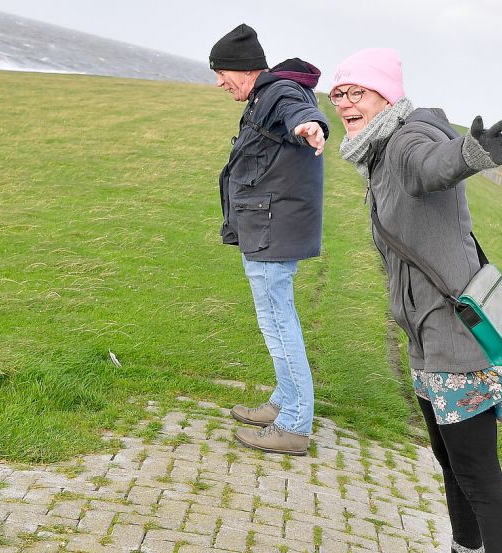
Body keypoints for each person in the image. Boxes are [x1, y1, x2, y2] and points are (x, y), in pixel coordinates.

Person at [329, 48, 502, 553]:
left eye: (356, 91)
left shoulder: (409, 137)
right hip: (427, 335)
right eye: (339, 93)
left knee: (480, 481)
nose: (344, 103)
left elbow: (428, 169)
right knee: (453, 467)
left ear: (388, 94)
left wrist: (469, 154)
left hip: (453, 334)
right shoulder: (376, 149)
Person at [209, 24, 329, 456]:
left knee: (279, 323)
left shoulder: (278, 93)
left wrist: (310, 126)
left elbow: (299, 112)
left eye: (222, 72)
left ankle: (295, 425)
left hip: (273, 228)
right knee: (277, 320)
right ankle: (283, 403)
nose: (219, 82)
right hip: (267, 225)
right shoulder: (264, 93)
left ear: (242, 70)